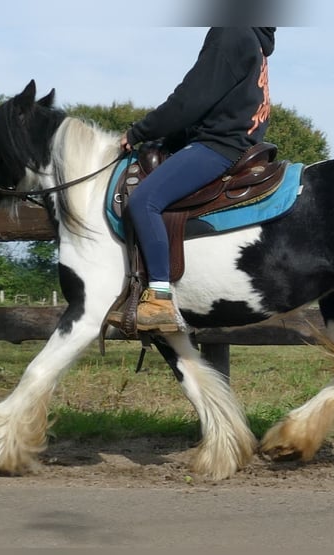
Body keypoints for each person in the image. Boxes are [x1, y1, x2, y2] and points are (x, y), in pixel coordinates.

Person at [120, 27, 276, 332]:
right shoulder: (254, 39)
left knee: (144, 200)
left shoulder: (230, 33)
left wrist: (138, 132)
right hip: (242, 141)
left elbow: (189, 101)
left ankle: (160, 298)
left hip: (220, 146)